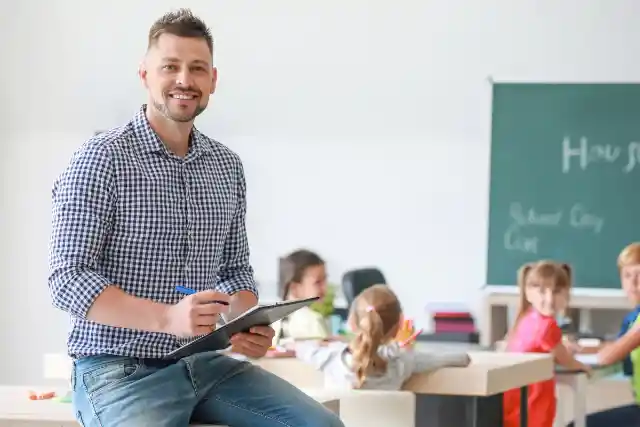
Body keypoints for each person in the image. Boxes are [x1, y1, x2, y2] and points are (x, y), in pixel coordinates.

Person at [47, 8, 344, 427]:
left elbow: (235, 272)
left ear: (213, 80)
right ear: (145, 75)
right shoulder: (101, 159)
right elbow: (68, 279)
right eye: (170, 66)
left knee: (323, 425)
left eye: (197, 68)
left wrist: (240, 324)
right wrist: (167, 318)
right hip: (117, 372)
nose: (185, 80)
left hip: (207, 365)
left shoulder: (226, 166)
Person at [286, 284, 471, 390]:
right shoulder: (402, 361)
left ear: (352, 323)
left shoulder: (330, 357)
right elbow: (461, 358)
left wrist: (319, 343)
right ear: (399, 325)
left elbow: (297, 347)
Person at [502, 261, 591, 427]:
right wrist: (582, 366)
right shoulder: (547, 325)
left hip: (515, 401)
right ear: (528, 293)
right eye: (542, 291)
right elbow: (565, 359)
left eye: (556, 292)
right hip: (531, 405)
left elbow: (548, 347)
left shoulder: (526, 318)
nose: (549, 299)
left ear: (566, 294)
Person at [580, 243, 640, 426]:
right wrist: (578, 348)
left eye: (639, 274)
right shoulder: (635, 316)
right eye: (627, 275)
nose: (633, 283)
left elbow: (608, 357)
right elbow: (620, 345)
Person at [272, 249, 332, 342]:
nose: (325, 288)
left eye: (325, 280)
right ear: (295, 289)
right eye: (318, 282)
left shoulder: (274, 321)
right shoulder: (312, 321)